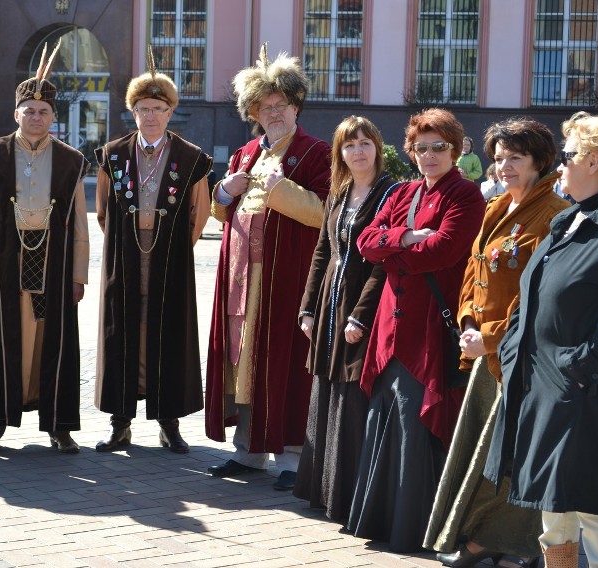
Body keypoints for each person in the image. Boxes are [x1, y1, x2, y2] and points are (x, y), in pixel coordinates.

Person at [485, 112, 598, 568]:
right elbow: (530, 299)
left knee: (593, 506)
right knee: (554, 507)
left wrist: (577, 370)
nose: (561, 166)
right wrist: (516, 353)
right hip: (545, 387)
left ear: (594, 162)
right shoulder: (568, 221)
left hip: (587, 392)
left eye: (569, 156)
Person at [424, 118, 570, 568]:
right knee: (490, 457)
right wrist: (468, 322)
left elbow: (541, 300)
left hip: (520, 359)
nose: (504, 166)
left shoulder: (554, 215)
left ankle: (503, 544)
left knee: (508, 460)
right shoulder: (497, 207)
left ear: (540, 161)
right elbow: (473, 272)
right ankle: (507, 544)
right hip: (486, 355)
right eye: (500, 157)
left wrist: (487, 339)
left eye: (516, 158)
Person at [344, 108, 484, 552]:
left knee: (417, 419)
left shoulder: (466, 195)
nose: (428, 155)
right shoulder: (402, 192)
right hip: (388, 325)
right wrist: (405, 238)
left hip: (428, 326)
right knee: (384, 416)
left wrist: (395, 245)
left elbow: (444, 249)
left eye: (438, 147)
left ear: (456, 149)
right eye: (420, 148)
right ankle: (382, 522)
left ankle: (416, 529)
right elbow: (366, 242)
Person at [204, 45, 331, 491]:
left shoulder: (317, 154)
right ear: (253, 112)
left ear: (296, 106)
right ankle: (249, 449)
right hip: (240, 277)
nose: (273, 113)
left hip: (287, 278)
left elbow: (324, 214)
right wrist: (223, 192)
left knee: (286, 362)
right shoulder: (244, 153)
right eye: (265, 107)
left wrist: (282, 191)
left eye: (281, 105)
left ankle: (294, 456)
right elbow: (224, 213)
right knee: (243, 360)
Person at [0, 41, 88, 455]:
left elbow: (80, 228)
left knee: (51, 345)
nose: (36, 117)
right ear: (15, 113)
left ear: (54, 117)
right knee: (3, 344)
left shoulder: (72, 161)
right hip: (4, 270)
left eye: (44, 112)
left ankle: (58, 426)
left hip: (53, 270)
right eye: (29, 111)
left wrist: (77, 276)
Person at [93, 54, 213, 454]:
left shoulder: (190, 157)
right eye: (143, 109)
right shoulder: (112, 154)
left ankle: (169, 423)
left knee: (168, 335)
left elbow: (200, 214)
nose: (151, 116)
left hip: (170, 261)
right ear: (133, 112)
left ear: (170, 111)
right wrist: (129, 244)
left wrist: (171, 248)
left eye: (159, 109)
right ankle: (120, 423)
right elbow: (103, 212)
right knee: (121, 333)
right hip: (125, 259)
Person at [293, 116, 399, 521]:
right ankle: (321, 488)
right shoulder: (338, 194)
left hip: (362, 304)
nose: (358, 151)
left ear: (377, 148)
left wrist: (361, 315)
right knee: (326, 389)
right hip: (329, 303)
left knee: (353, 395)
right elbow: (323, 252)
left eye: (365, 143)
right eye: (349, 144)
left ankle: (349, 494)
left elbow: (383, 264)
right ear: (339, 152)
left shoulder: (391, 194)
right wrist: (307, 307)